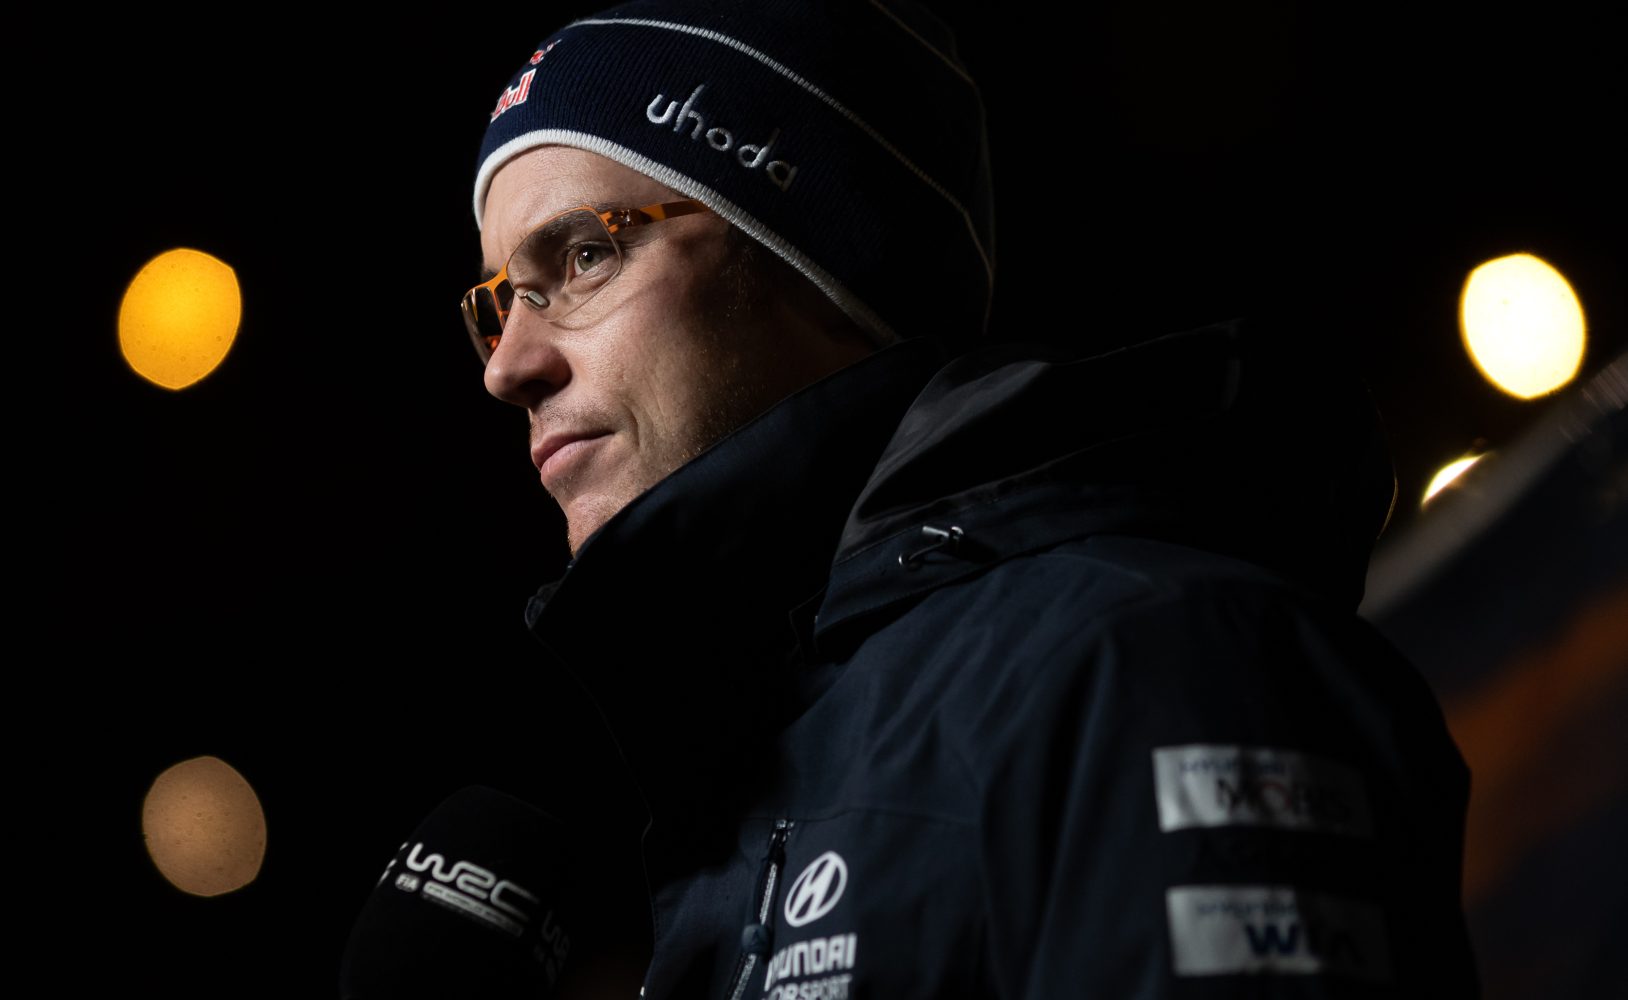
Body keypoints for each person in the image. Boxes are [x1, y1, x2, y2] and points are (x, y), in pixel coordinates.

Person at [452, 1, 1479, 996]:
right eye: (498, 304)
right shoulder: (749, 776)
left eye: (583, 256)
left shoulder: (1147, 660)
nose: (508, 366)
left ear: (822, 265)